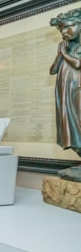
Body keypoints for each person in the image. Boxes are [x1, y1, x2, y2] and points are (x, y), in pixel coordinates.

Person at [49, 8, 81, 158]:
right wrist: (59, 55)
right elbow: (53, 70)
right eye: (61, 29)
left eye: (69, 26)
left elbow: (77, 64)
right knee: (69, 123)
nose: (64, 32)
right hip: (65, 90)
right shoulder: (65, 48)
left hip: (78, 89)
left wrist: (64, 54)